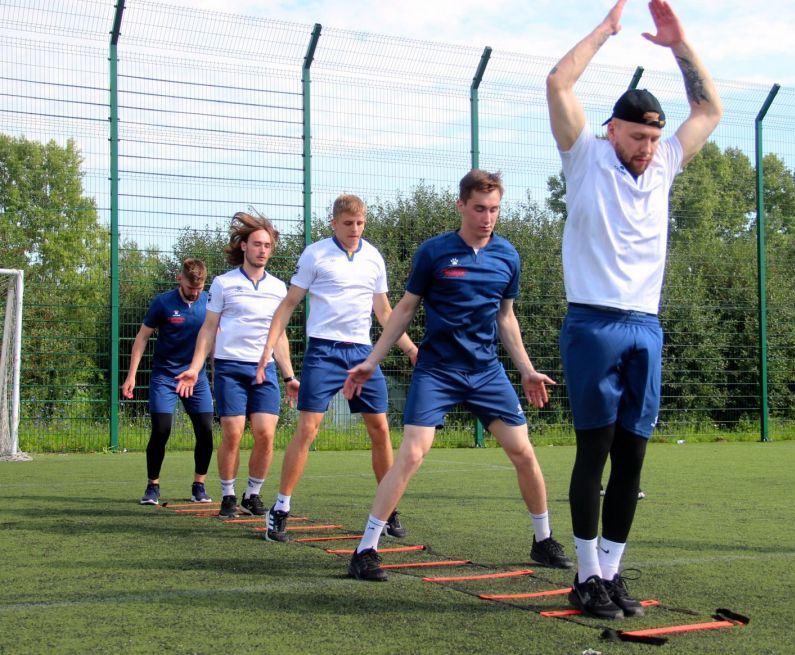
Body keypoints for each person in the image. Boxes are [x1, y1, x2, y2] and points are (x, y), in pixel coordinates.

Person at [546, 0, 722, 619]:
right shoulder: (585, 157)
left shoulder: (667, 164)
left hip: (645, 327)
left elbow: (708, 110)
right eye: (638, 136)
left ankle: (614, 574)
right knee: (593, 451)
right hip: (593, 323)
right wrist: (607, 30)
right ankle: (585, 576)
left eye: (653, 137)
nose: (648, 147)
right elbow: (558, 82)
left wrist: (678, 43)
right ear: (613, 130)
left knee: (634, 455)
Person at [342, 170, 573, 581]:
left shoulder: (507, 256)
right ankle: (366, 549)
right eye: (480, 208)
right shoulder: (434, 252)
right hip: (438, 371)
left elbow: (506, 317)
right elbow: (405, 309)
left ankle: (543, 540)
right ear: (461, 206)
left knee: (523, 452)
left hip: (486, 372)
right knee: (413, 453)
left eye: (495, 210)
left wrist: (526, 370)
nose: (488, 218)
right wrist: (372, 360)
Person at [257, 194, 417, 542]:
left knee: (380, 430)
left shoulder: (373, 257)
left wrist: (411, 349)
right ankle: (280, 508)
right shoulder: (314, 254)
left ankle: (387, 510)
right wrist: (268, 349)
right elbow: (289, 305)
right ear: (334, 223)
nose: (355, 230)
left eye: (360, 223)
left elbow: (386, 314)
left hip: (363, 354)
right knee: (308, 429)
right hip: (323, 352)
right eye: (348, 224)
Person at [176, 212, 294, 518]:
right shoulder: (223, 284)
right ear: (244, 246)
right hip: (230, 368)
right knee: (233, 432)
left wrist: (289, 375)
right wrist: (195, 366)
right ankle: (228, 494)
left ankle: (251, 494)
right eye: (257, 244)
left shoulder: (279, 288)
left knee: (266, 434)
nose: (263, 250)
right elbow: (208, 328)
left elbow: (279, 335)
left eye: (267, 245)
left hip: (263, 369)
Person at [122, 258, 214, 506]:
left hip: (196, 378)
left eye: (199, 287)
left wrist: (218, 375)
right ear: (179, 278)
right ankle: (153, 486)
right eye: (190, 286)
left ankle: (199, 485)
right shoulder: (162, 302)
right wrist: (131, 375)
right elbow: (141, 338)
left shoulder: (209, 302)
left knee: (205, 430)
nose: (195, 292)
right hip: (165, 377)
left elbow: (213, 341)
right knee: (161, 430)